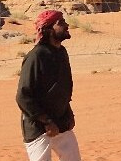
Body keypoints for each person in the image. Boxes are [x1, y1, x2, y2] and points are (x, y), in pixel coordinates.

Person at [16, 10, 81, 161]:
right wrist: (47, 121)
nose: (66, 25)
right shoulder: (36, 56)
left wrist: (68, 111)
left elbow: (62, 87)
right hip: (38, 126)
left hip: (60, 122)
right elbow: (23, 96)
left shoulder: (62, 52)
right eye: (61, 23)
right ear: (49, 29)